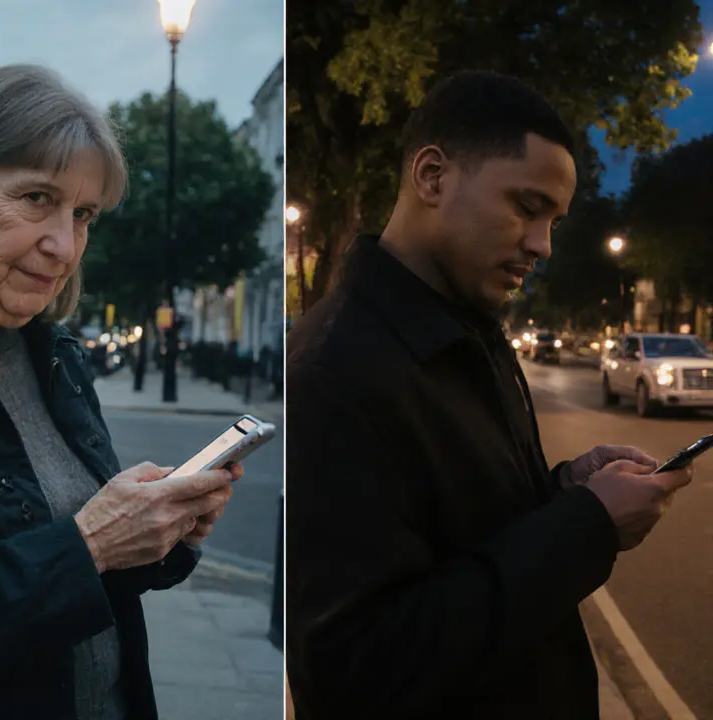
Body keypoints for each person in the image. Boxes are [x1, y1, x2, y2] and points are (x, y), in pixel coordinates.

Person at [284, 70, 694, 719]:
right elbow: (356, 670)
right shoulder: (332, 371)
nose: (543, 245)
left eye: (555, 220)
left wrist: (565, 493)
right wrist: (587, 526)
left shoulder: (470, 328)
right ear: (432, 177)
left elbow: (465, 532)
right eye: (527, 208)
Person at [0, 64, 240, 720]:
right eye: (37, 198)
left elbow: (88, 562)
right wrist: (90, 543)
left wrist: (159, 532)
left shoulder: (54, 348)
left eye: (83, 213)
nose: (65, 245)